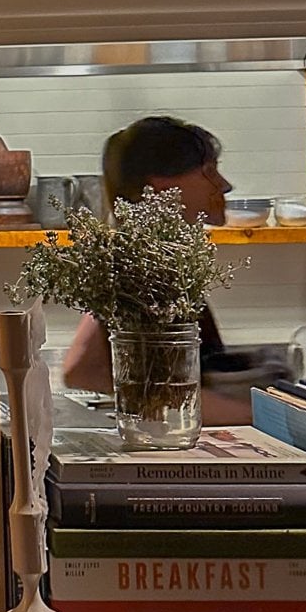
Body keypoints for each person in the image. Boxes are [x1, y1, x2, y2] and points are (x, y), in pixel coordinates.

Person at [61, 115, 251, 424]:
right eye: (208, 172)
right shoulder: (144, 267)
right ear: (161, 186)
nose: (224, 185)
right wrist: (272, 418)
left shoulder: (153, 259)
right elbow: (84, 371)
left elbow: (80, 367)